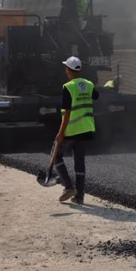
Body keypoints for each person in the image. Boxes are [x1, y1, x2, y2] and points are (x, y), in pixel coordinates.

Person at [54, 56, 98, 205]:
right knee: (79, 163)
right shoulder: (89, 84)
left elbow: (66, 112)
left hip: (71, 130)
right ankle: (79, 196)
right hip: (86, 129)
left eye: (66, 68)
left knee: (56, 157)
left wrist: (61, 133)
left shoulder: (68, 87)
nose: (65, 70)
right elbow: (96, 96)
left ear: (69, 70)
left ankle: (68, 187)